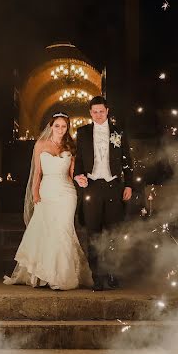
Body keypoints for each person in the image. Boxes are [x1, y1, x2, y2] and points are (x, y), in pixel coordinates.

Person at [4, 113, 93, 290]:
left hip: (67, 193)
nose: (60, 129)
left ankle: (61, 276)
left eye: (64, 126)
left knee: (63, 231)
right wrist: (35, 193)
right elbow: (37, 173)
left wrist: (80, 180)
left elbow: (72, 173)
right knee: (46, 231)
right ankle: (43, 275)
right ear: (51, 127)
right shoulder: (40, 144)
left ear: (67, 128)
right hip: (47, 192)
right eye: (57, 126)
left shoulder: (70, 146)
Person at [73, 96, 134, 290]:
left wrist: (129, 185)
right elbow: (79, 160)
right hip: (92, 187)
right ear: (90, 113)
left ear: (107, 111)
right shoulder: (82, 132)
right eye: (94, 112)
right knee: (93, 234)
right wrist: (78, 176)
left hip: (114, 186)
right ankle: (97, 277)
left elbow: (127, 161)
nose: (98, 115)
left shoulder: (118, 132)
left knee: (113, 233)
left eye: (101, 111)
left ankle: (113, 273)